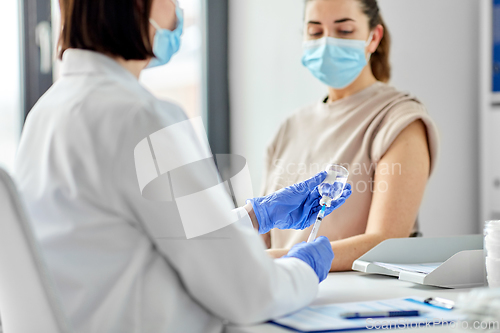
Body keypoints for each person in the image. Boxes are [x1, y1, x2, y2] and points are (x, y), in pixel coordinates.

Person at [13, 0, 351, 332]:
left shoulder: (47, 112)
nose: (179, 10)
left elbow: (129, 236)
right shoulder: (142, 117)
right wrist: (305, 268)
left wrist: (254, 215)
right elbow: (248, 293)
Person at [260, 0, 439, 271]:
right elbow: (262, 234)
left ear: (373, 37)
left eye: (344, 31)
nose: (327, 43)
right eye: (316, 32)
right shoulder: (290, 127)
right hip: (279, 291)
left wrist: (284, 260)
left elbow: (386, 241)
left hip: (352, 300)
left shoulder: (398, 119)